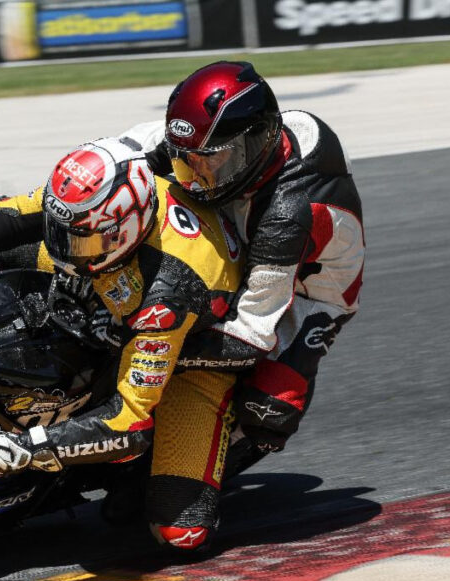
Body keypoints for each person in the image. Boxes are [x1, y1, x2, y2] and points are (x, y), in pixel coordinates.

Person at [0, 137, 242, 551]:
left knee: (179, 533)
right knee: (10, 240)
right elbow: (14, 212)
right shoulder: (95, 208)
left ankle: (193, 450)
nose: (65, 251)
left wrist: (27, 448)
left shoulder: (167, 292)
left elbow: (130, 421)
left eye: (79, 242)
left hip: (193, 357)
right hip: (118, 277)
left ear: (126, 228)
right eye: (62, 232)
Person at [118, 60, 365, 471]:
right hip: (246, 234)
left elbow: (251, 333)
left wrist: (145, 347)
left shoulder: (287, 215)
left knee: (268, 412)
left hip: (307, 295)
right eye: (189, 159)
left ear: (261, 142)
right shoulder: (226, 143)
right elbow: (135, 151)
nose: (197, 176)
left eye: (215, 161)